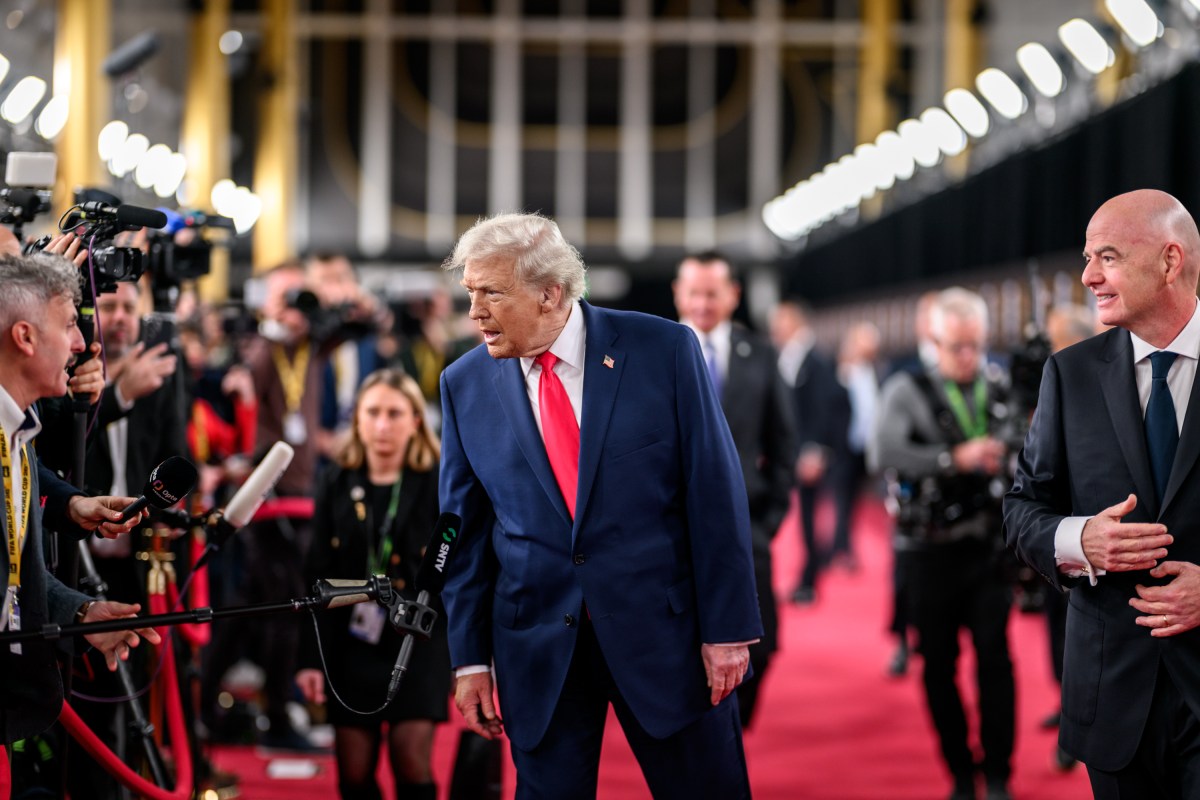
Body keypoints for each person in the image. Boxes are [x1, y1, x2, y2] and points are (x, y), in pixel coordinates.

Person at [439, 213, 760, 798]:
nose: (474, 313)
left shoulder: (664, 349)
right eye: (470, 293)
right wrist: (469, 660)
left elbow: (714, 495)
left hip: (666, 640)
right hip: (537, 648)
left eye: (491, 293)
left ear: (549, 293)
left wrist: (729, 628)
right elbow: (461, 538)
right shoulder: (464, 384)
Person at [1004, 189, 1200, 798]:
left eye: (1107, 257)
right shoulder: (1069, 373)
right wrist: (1078, 539)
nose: (1089, 277)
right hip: (1112, 697)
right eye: (1089, 258)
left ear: (1169, 262)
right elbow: (1021, 508)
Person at [0, 251, 161, 746]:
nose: (80, 342)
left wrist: (79, 612)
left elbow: (15, 578)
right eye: (69, 324)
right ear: (25, 337)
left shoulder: (19, 434)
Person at [869, 287, 1017, 800]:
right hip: (927, 551)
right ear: (933, 341)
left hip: (987, 548)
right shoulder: (906, 389)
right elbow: (883, 451)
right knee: (938, 664)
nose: (968, 357)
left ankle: (999, 772)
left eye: (975, 345)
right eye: (957, 347)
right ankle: (960, 769)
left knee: (996, 659)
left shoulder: (997, 386)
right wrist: (956, 458)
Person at [297, 369, 449, 800]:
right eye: (373, 413)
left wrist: (469, 656)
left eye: (395, 413)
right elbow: (316, 573)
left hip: (418, 641)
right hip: (351, 644)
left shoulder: (438, 481)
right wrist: (309, 659)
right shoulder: (335, 480)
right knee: (355, 773)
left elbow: (458, 572)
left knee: (411, 762)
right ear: (357, 420)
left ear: (416, 421)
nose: (383, 425)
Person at [672, 252, 795, 730]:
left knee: (761, 646)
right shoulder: (650, 353)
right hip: (671, 531)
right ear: (678, 295)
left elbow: (784, 445)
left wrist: (768, 523)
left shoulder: (760, 354)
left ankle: (736, 723)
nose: (703, 302)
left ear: (733, 296)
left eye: (712, 292)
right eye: (694, 292)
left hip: (747, 531)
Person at [770, 299, 851, 605]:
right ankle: (805, 576)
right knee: (801, 519)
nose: (775, 328)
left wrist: (815, 450)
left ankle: (810, 577)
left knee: (809, 519)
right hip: (793, 453)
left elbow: (824, 408)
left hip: (809, 454)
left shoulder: (814, 362)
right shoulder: (791, 358)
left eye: (781, 321)